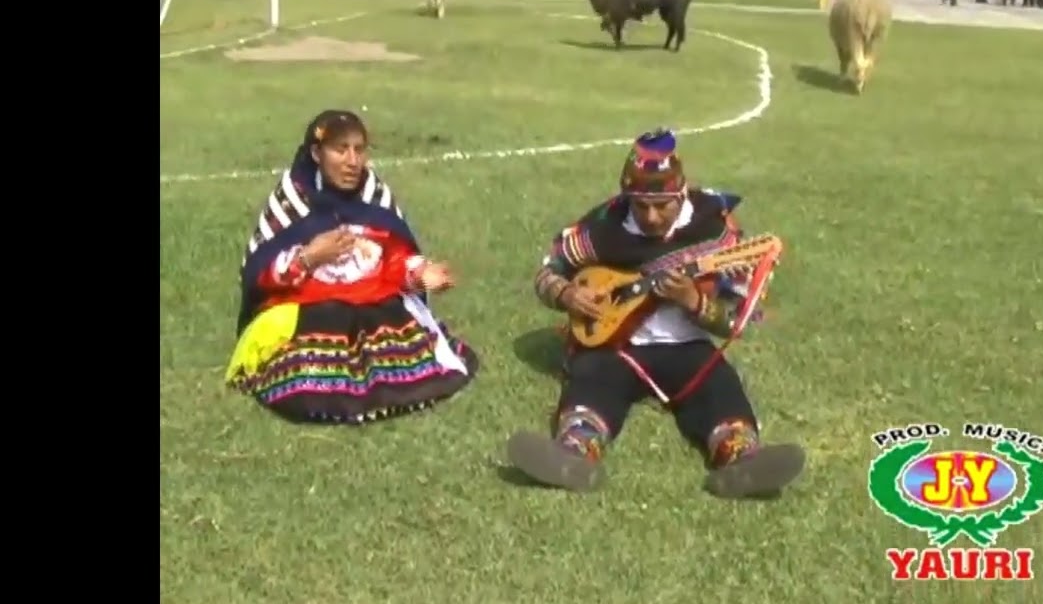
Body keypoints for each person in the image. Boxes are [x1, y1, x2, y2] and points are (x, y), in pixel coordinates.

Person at [505, 130, 805, 499]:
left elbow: (735, 320)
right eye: (640, 205)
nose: (650, 216)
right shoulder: (603, 225)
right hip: (618, 347)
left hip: (687, 346)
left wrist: (694, 301)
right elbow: (547, 271)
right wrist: (567, 294)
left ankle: (740, 458)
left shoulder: (715, 230)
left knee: (719, 384)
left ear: (681, 193)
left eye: (662, 205)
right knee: (592, 379)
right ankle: (575, 455)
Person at [225, 110, 480, 424]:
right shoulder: (293, 197)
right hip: (309, 308)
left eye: (359, 150)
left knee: (397, 330)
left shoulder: (374, 195)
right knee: (310, 361)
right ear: (317, 153)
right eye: (340, 149)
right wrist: (309, 257)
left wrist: (419, 274)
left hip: (372, 302)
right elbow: (259, 276)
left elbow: (394, 260)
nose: (352, 161)